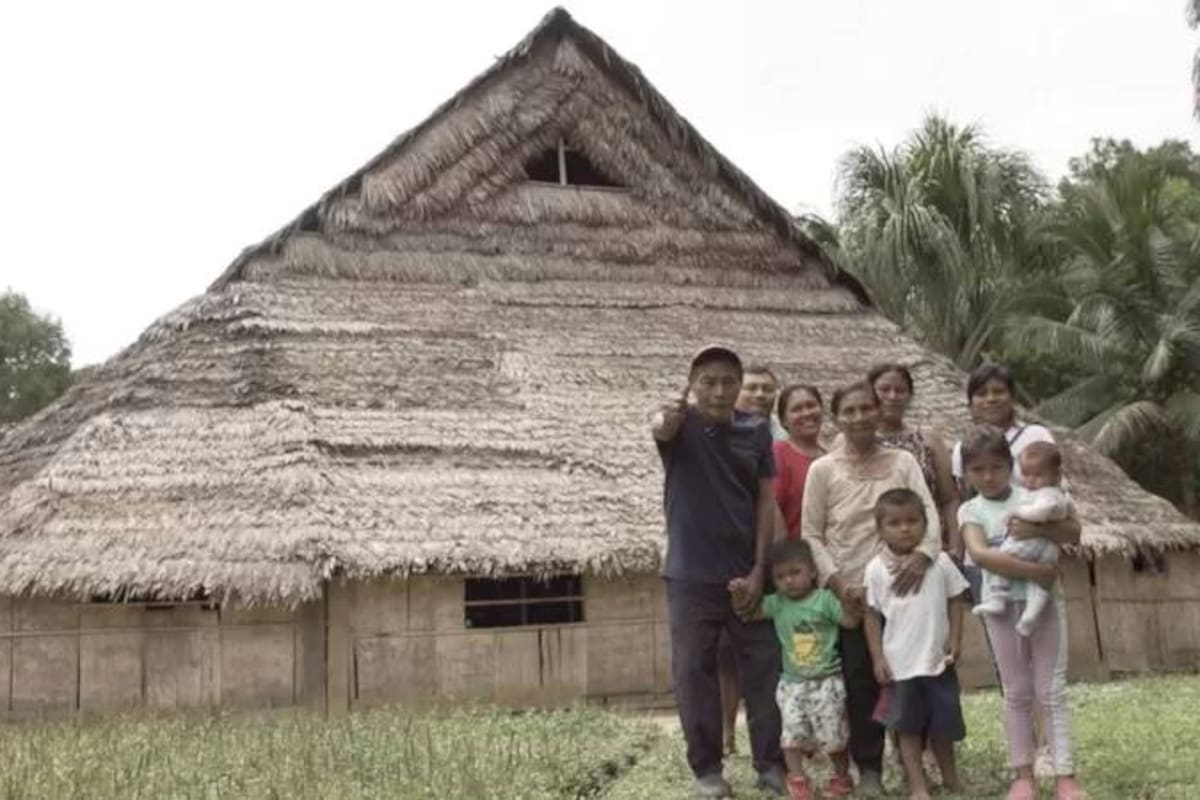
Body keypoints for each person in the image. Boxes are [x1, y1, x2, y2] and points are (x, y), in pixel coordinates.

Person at [653, 345, 786, 798]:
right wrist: (665, 417)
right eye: (708, 381)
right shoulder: (680, 426)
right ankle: (707, 771)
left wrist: (758, 570)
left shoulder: (756, 431)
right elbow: (661, 427)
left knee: (763, 671)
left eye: (729, 380)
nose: (720, 389)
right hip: (690, 577)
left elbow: (766, 503)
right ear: (692, 385)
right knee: (694, 671)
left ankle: (771, 765)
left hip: (746, 574)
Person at [799, 381, 941, 799]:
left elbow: (928, 513)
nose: (859, 417)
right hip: (853, 598)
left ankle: (921, 764)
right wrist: (838, 583)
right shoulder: (823, 469)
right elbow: (811, 533)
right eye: (849, 411)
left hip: (906, 592)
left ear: (879, 413)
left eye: (866, 409)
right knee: (861, 683)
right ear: (836, 417)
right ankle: (870, 769)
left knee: (916, 676)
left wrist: (923, 556)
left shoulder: (902, 462)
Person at [958, 427, 1087, 800]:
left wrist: (1033, 526)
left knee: (1052, 691)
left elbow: (1073, 532)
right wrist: (1038, 572)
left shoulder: (1034, 496)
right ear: (966, 474)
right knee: (1016, 692)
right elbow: (980, 555)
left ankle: (1065, 776)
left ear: (1010, 466)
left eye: (996, 467)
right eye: (978, 469)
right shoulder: (971, 509)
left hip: (1046, 606)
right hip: (1002, 609)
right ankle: (1022, 776)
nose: (988, 476)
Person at [863, 489, 968, 800]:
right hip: (901, 665)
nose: (905, 528)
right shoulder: (876, 569)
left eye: (912, 521)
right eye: (894, 523)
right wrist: (877, 659)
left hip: (938, 661)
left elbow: (956, 599)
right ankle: (917, 785)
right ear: (880, 529)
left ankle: (952, 780)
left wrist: (957, 639)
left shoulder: (941, 562)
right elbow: (870, 616)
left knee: (943, 727)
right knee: (907, 729)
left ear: (925, 523)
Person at [730, 539, 854, 800]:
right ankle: (797, 781)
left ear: (812, 572)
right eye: (780, 576)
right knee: (791, 736)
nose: (788, 581)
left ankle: (841, 778)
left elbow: (849, 622)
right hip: (792, 683)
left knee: (834, 738)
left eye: (795, 572)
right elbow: (748, 614)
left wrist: (854, 603)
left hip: (827, 681)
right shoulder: (777, 604)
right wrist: (739, 594)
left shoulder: (825, 600)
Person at [720, 363, 788, 756]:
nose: (761, 395)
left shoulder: (780, 436)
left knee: (768, 654)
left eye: (768, 389)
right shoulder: (720, 434)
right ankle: (727, 735)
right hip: (729, 554)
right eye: (753, 388)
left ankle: (775, 741)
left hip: (776, 555)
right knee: (725, 657)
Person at [973, 442, 1069, 637]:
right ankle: (1031, 615)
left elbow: (1046, 515)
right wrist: (1039, 572)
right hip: (1046, 552)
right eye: (1027, 475)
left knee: (1002, 556)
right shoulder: (970, 509)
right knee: (1039, 585)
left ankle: (998, 597)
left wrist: (1017, 514)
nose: (1031, 480)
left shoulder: (1047, 494)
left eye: (1038, 475)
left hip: (1034, 546)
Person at [867, 364, 961, 557]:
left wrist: (956, 548)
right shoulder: (858, 442)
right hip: (876, 552)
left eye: (900, 390)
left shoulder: (928, 441)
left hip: (930, 549)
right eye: (884, 390)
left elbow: (949, 499)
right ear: (870, 393)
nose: (892, 396)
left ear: (910, 396)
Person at [772, 384, 826, 540]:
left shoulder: (831, 456)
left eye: (811, 405)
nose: (807, 413)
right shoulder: (779, 453)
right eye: (797, 409)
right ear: (784, 421)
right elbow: (772, 510)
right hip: (796, 554)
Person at [739, 364, 789, 441]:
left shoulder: (788, 436)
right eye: (751, 388)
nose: (760, 394)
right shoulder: (717, 432)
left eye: (767, 389)